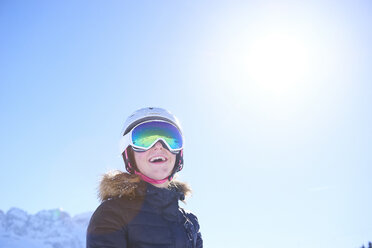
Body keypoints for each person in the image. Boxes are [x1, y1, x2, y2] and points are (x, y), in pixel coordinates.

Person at [86, 107, 203, 248]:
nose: (159, 146)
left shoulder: (189, 221)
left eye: (170, 139)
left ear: (179, 154)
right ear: (129, 154)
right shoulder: (112, 214)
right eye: (144, 140)